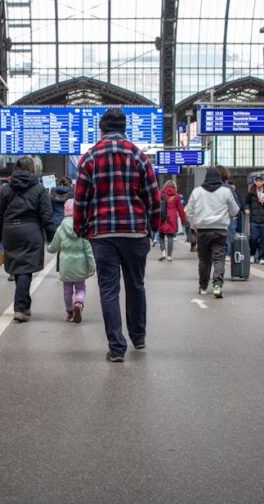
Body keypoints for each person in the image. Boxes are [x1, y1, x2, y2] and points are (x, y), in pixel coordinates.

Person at [74, 108, 160, 362]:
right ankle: (138, 336)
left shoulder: (89, 158)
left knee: (108, 290)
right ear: (124, 129)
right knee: (136, 285)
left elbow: (80, 200)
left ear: (101, 129)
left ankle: (116, 347)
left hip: (103, 234)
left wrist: (80, 229)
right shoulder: (139, 156)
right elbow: (153, 197)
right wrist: (152, 227)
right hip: (135, 232)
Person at [0, 157, 55, 323]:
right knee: (25, 269)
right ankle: (19, 308)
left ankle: (25, 305)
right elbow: (47, 216)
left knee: (18, 268)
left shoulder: (6, 189)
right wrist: (52, 239)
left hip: (10, 232)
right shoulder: (39, 189)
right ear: (33, 169)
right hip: (31, 231)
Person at [186, 167, 240, 298]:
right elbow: (235, 211)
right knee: (219, 258)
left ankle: (203, 287)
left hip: (202, 231)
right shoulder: (226, 191)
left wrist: (194, 226)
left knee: (204, 260)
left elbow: (190, 212)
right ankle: (217, 286)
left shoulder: (196, 191)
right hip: (220, 230)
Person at [48, 199, 96, 323]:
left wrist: (50, 248)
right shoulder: (82, 227)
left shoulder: (61, 228)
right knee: (81, 287)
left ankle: (70, 312)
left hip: (65, 264)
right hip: (80, 263)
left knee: (67, 289)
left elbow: (54, 246)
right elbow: (88, 249)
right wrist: (92, 266)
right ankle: (79, 303)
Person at [244, 174, 264, 265]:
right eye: (257, 181)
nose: (258, 182)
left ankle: (262, 257)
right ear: (255, 182)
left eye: (260, 181)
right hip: (254, 220)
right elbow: (246, 203)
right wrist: (246, 209)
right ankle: (252, 254)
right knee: (253, 238)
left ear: (263, 182)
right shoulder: (251, 193)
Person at [158, 180, 186, 262]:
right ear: (175, 187)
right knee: (170, 236)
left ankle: (163, 253)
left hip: (162, 217)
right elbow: (181, 210)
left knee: (161, 235)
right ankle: (169, 256)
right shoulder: (177, 196)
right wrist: (183, 222)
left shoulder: (160, 194)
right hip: (172, 218)